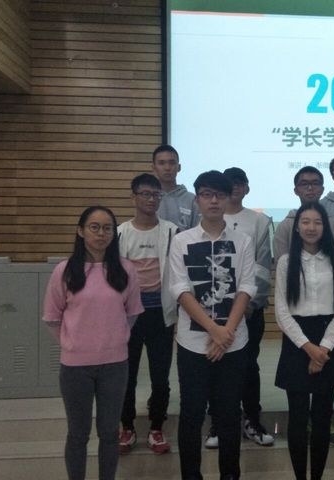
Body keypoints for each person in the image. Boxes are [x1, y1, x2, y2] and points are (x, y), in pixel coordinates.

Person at [42, 206, 144, 480]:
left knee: (109, 432)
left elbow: (132, 313)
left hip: (115, 364)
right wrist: (74, 343)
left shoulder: (125, 269)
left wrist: (113, 338)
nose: (101, 233)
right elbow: (52, 317)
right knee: (78, 433)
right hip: (76, 367)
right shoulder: (65, 271)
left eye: (107, 228)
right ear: (81, 231)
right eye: (94, 227)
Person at [168, 170, 256, 480]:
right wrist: (215, 331)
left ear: (228, 198)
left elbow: (246, 287)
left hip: (234, 343)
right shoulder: (181, 241)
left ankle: (230, 475)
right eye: (207, 194)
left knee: (229, 414)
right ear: (198, 200)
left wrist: (225, 332)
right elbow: (180, 290)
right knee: (191, 414)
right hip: (193, 345)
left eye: (219, 194)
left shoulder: (242, 241)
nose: (214, 200)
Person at [274, 202, 334, 480]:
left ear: (325, 227)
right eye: (305, 222)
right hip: (297, 342)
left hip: (328, 340)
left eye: (317, 222)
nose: (311, 227)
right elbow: (282, 312)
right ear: (297, 227)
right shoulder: (286, 262)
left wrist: (324, 349)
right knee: (297, 417)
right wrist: (309, 348)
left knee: (322, 417)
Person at [204, 167, 275, 448]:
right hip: (213, 311)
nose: (234, 187)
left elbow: (262, 266)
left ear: (246, 188)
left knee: (248, 366)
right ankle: (218, 424)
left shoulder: (259, 221)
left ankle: (252, 420)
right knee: (215, 365)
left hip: (248, 310)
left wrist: (248, 303)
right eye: (228, 184)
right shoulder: (208, 219)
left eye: (239, 183)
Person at [117, 174, 180, 455]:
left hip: (160, 314)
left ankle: (156, 427)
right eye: (145, 194)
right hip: (129, 315)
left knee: (160, 376)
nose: (151, 199)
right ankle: (127, 427)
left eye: (156, 194)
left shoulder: (172, 231)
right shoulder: (120, 233)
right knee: (126, 375)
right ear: (133, 197)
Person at [274, 166, 334, 263]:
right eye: (304, 184)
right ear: (296, 191)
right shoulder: (285, 226)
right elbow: (281, 263)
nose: (310, 188)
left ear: (322, 190)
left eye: (315, 183)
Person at [152, 144, 200, 230]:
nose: (167, 168)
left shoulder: (192, 199)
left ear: (179, 167)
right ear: (154, 168)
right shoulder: (149, 199)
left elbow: (198, 232)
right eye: (161, 163)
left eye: (172, 163)